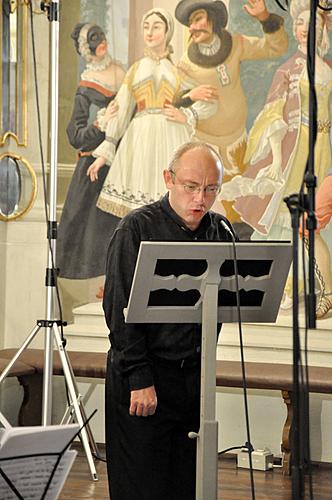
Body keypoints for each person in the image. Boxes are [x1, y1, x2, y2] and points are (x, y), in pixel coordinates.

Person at [103, 141, 236, 500]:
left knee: (185, 486)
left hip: (191, 381)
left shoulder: (219, 232)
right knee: (142, 487)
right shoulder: (136, 228)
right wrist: (139, 378)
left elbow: (221, 311)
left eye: (211, 189)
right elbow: (119, 311)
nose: (201, 199)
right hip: (143, 377)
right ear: (168, 179)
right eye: (191, 187)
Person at [219, 0, 332, 307]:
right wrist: (277, 161)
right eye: (299, 24)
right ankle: (285, 287)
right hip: (296, 150)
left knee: (318, 218)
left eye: (311, 25)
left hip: (325, 149)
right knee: (288, 218)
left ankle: (321, 289)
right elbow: (272, 117)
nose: (303, 30)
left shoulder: (329, 70)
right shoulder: (289, 69)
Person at [87, 8, 217, 218]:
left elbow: (211, 103)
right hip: (139, 138)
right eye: (146, 27)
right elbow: (121, 109)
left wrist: (188, 115)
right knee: (140, 208)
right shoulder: (136, 69)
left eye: (156, 27)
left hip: (171, 135)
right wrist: (107, 149)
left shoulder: (178, 71)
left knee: (170, 198)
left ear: (167, 32)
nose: (149, 32)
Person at [175, 0, 288, 227]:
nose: (193, 27)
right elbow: (174, 100)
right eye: (190, 23)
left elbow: (276, 47)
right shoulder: (186, 61)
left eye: (197, 19)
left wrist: (265, 18)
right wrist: (191, 94)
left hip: (238, 142)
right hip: (206, 146)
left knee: (242, 208)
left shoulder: (235, 44)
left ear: (212, 20)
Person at [56, 23, 125, 280]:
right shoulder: (87, 86)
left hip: (122, 159)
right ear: (86, 48)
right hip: (95, 168)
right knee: (96, 232)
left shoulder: (120, 71)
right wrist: (99, 124)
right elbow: (75, 136)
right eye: (94, 39)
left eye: (102, 35)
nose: (101, 41)